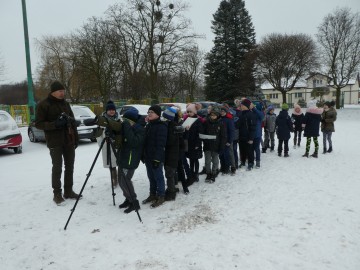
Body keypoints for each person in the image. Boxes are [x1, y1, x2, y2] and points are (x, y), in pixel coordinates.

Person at [35, 81, 80, 205]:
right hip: (55, 141)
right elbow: (38, 123)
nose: (62, 93)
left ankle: (68, 191)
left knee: (70, 166)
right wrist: (55, 124)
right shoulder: (44, 105)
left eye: (63, 91)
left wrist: (76, 138)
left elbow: (72, 121)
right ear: (53, 92)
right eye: (60, 91)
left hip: (68, 140)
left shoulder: (66, 104)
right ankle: (57, 193)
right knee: (57, 167)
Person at [96, 107, 145, 213]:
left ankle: (134, 202)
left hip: (131, 159)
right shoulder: (127, 126)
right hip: (123, 157)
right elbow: (120, 137)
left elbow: (133, 142)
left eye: (126, 121)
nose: (124, 122)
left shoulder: (140, 129)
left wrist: (126, 126)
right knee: (121, 181)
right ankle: (128, 199)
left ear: (132, 121)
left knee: (126, 181)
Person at [142, 105, 168, 208]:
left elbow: (161, 144)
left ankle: (161, 195)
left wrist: (157, 158)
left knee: (158, 177)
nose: (149, 114)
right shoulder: (149, 125)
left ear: (158, 114)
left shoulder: (161, 126)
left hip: (157, 157)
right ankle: (152, 194)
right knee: (151, 177)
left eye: (152, 112)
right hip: (148, 156)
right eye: (148, 112)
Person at [95, 100, 120, 187]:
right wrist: (102, 144)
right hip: (107, 145)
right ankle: (114, 179)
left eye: (113, 109)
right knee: (111, 164)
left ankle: (123, 179)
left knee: (120, 163)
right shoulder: (102, 121)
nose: (112, 111)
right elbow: (98, 135)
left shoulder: (119, 119)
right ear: (106, 111)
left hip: (118, 145)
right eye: (110, 110)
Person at [200, 106, 227, 183]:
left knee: (215, 161)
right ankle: (208, 173)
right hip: (207, 145)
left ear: (217, 115)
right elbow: (202, 132)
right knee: (207, 161)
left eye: (214, 115)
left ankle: (214, 173)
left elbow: (223, 136)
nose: (213, 117)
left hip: (216, 146)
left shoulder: (221, 123)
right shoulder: (206, 122)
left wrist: (221, 146)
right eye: (211, 115)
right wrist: (203, 138)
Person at [237, 98, 256, 171]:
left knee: (250, 150)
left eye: (242, 105)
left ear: (245, 106)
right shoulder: (240, 113)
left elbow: (253, 127)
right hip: (241, 136)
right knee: (242, 150)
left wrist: (251, 138)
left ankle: (251, 163)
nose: (241, 106)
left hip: (248, 136)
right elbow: (238, 125)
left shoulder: (251, 114)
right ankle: (243, 161)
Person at [253, 102, 265, 167]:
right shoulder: (252, 113)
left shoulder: (260, 113)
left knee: (256, 148)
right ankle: (251, 161)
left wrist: (254, 109)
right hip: (251, 134)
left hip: (257, 134)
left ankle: (258, 162)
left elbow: (262, 116)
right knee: (252, 149)